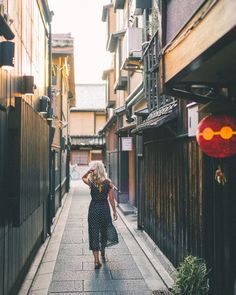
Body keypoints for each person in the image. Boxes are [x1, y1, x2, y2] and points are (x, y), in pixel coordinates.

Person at [82, 161, 118, 269]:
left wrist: (88, 172)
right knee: (104, 230)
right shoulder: (108, 182)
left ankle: (96, 261)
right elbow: (111, 199)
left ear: (94, 170)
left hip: (93, 209)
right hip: (104, 209)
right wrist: (114, 211)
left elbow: (82, 178)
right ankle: (102, 250)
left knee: (94, 232)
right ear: (103, 170)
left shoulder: (91, 182)